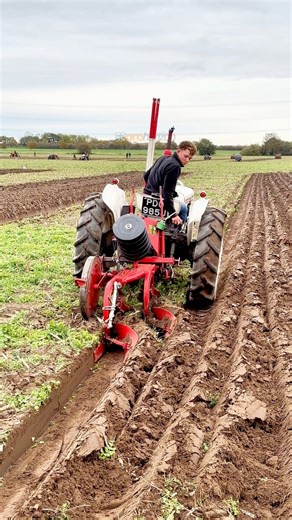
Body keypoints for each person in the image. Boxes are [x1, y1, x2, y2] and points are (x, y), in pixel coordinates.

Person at [143, 140, 196, 225]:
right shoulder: (175, 166)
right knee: (183, 209)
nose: (187, 160)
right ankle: (181, 233)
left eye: (189, 158)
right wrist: (173, 214)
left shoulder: (162, 158)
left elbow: (146, 176)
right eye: (185, 156)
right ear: (178, 151)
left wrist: (151, 189)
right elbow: (167, 193)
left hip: (146, 198)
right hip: (160, 201)